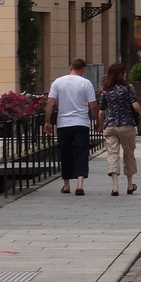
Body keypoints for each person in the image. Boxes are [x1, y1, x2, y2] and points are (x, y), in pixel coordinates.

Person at [45, 58, 99, 196]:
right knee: (81, 152)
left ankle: (66, 184)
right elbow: (93, 105)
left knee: (65, 153)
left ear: (70, 67)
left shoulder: (58, 82)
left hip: (64, 123)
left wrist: (47, 121)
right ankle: (80, 184)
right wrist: (97, 120)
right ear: (82, 69)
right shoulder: (86, 83)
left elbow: (50, 102)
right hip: (81, 123)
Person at [97, 63, 141, 195]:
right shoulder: (128, 88)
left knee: (112, 154)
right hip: (126, 125)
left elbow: (101, 111)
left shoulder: (106, 89)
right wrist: (139, 113)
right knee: (129, 153)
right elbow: (135, 106)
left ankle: (115, 186)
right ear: (121, 74)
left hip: (110, 126)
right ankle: (129, 184)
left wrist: (101, 125)